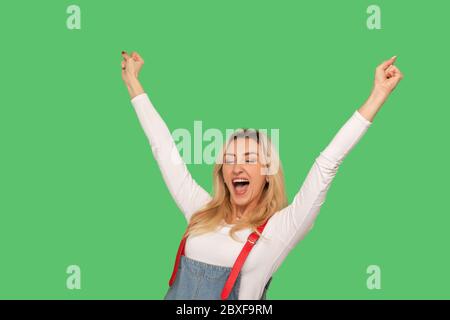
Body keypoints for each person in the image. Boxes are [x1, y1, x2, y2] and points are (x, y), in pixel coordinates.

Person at [120, 51, 403, 299]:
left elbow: (327, 164)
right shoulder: (200, 210)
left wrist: (377, 95)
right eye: (229, 160)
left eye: (249, 159)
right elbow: (163, 147)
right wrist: (133, 81)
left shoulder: (280, 230)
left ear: (267, 172)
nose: (237, 167)